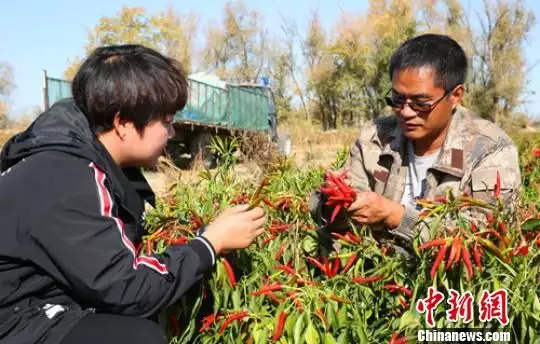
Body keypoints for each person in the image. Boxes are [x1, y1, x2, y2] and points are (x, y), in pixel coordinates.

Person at [0, 44, 266, 344]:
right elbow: (128, 288)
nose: (172, 132)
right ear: (122, 123)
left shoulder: (81, 156)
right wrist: (210, 243)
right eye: (165, 121)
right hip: (14, 320)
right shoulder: (67, 179)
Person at [310, 33, 521, 253]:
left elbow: (482, 238)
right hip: (380, 271)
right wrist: (334, 202)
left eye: (421, 103)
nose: (406, 112)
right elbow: (344, 216)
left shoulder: (490, 149)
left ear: (456, 95)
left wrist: (396, 216)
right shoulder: (375, 138)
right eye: (398, 99)